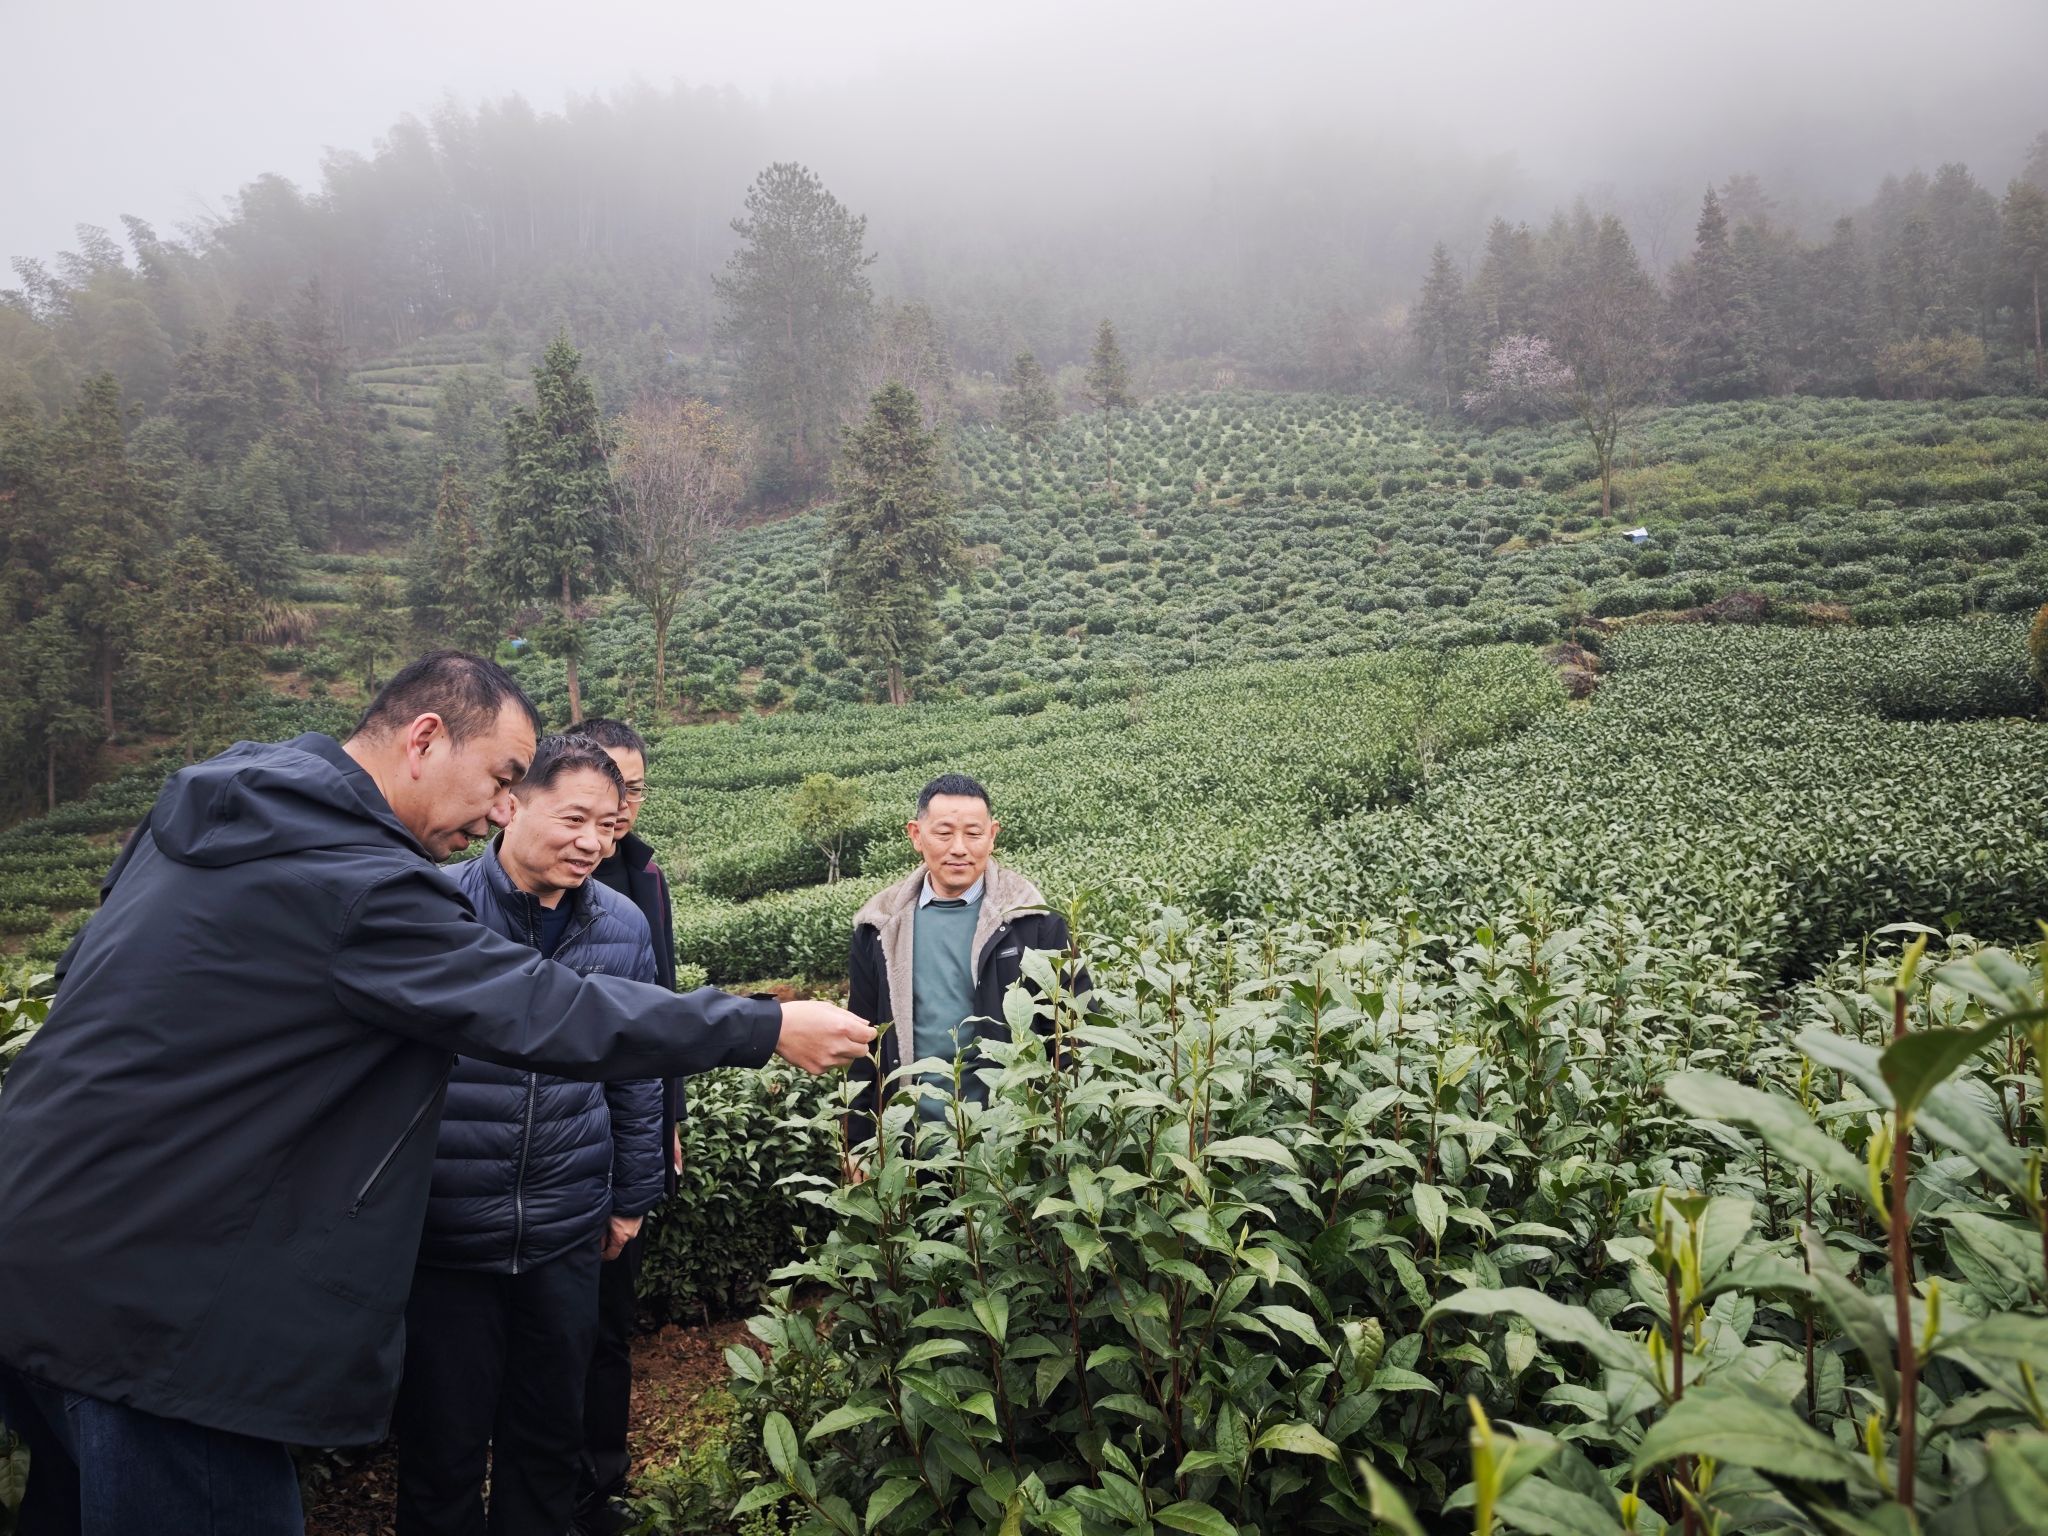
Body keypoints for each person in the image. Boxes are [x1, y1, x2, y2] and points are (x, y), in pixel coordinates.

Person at [0, 651, 872, 1536]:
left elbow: (89, 992)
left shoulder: (218, 818)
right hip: (154, 1308)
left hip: (39, 1250)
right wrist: (764, 1024)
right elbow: (544, 1007)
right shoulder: (358, 881)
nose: (499, 809)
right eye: (500, 778)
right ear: (424, 739)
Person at [395, 735, 664, 1536]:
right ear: (510, 804)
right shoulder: (437, 907)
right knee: (440, 1449)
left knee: (547, 1440)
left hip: (563, 1227)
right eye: (574, 819)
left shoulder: (621, 923)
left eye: (608, 826)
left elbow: (637, 1067)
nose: (592, 843)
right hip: (448, 1232)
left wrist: (630, 1196)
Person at [844, 774, 1084, 1172]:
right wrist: (857, 1144)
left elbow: (1071, 1032)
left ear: (992, 836)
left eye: (973, 833)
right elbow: (863, 1039)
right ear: (916, 835)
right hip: (910, 1149)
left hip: (1013, 1146)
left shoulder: (1033, 920)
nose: (959, 848)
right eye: (944, 833)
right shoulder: (879, 926)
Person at [562, 719, 674, 1535]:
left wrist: (668, 1121)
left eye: (633, 790)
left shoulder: (645, 877)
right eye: (609, 788)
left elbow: (660, 1017)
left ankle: (599, 1484)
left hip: (623, 1125)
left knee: (608, 1324)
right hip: (553, 1137)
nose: (622, 806)